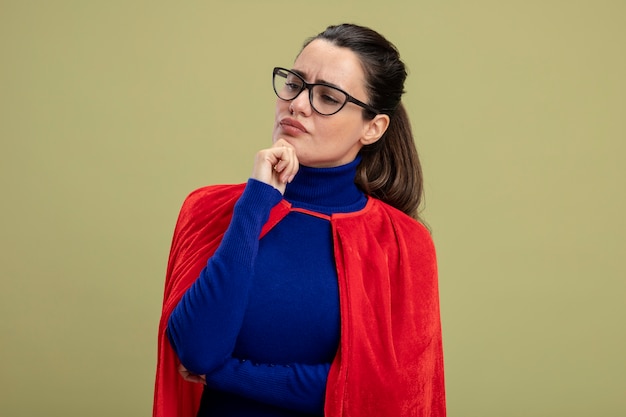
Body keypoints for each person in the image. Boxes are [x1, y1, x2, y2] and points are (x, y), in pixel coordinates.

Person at [153, 23, 446, 417]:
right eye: (294, 84)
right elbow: (197, 350)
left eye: (328, 97)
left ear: (373, 128)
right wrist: (257, 201)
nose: (298, 105)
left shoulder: (400, 243)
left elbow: (383, 392)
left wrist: (231, 375)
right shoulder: (209, 210)